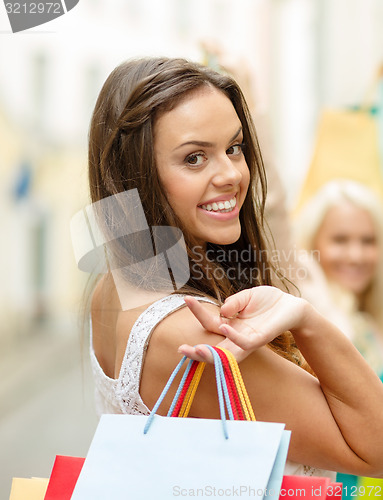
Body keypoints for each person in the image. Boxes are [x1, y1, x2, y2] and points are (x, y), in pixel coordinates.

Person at [87, 57, 383, 481]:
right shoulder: (189, 334)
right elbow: (376, 450)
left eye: (234, 147)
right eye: (194, 158)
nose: (230, 174)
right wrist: (306, 319)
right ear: (137, 175)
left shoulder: (117, 284)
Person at [293, 180, 383, 379]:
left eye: (368, 241)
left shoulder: (371, 318)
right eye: (340, 240)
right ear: (312, 244)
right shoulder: (299, 323)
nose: (355, 256)